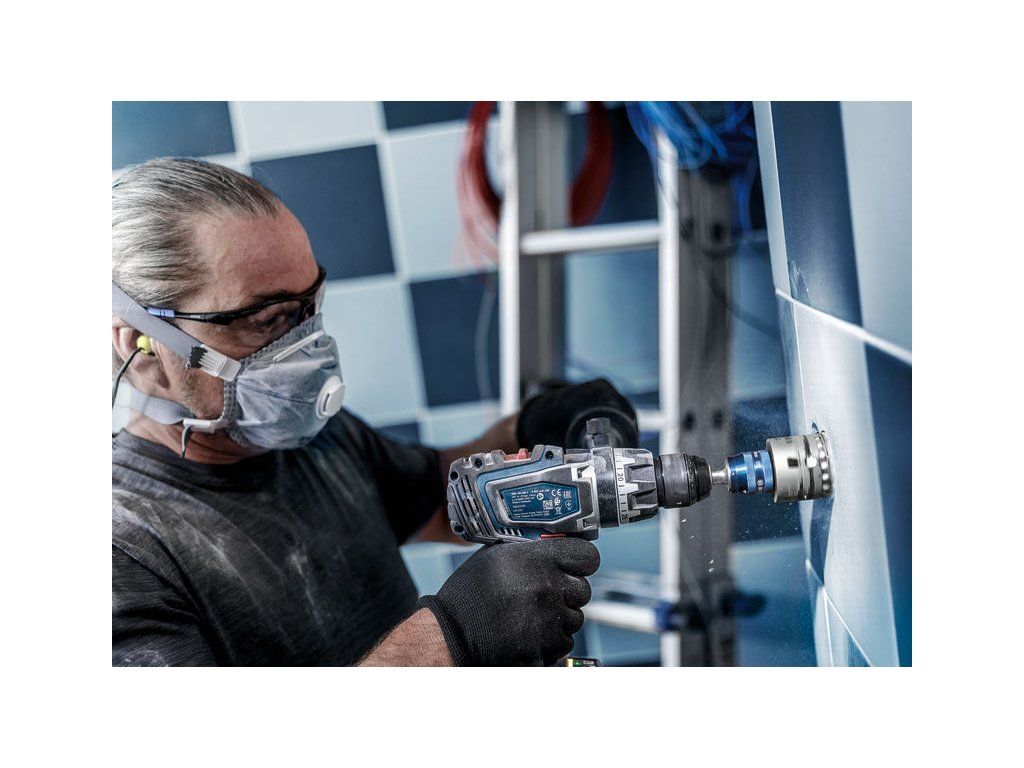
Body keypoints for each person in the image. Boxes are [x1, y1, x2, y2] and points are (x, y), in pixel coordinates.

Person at [111, 158, 603, 666]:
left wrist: (532, 427)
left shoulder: (315, 437)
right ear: (142, 350)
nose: (306, 347)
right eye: (267, 320)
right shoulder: (122, 552)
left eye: (309, 307)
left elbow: (446, 502)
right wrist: (452, 637)